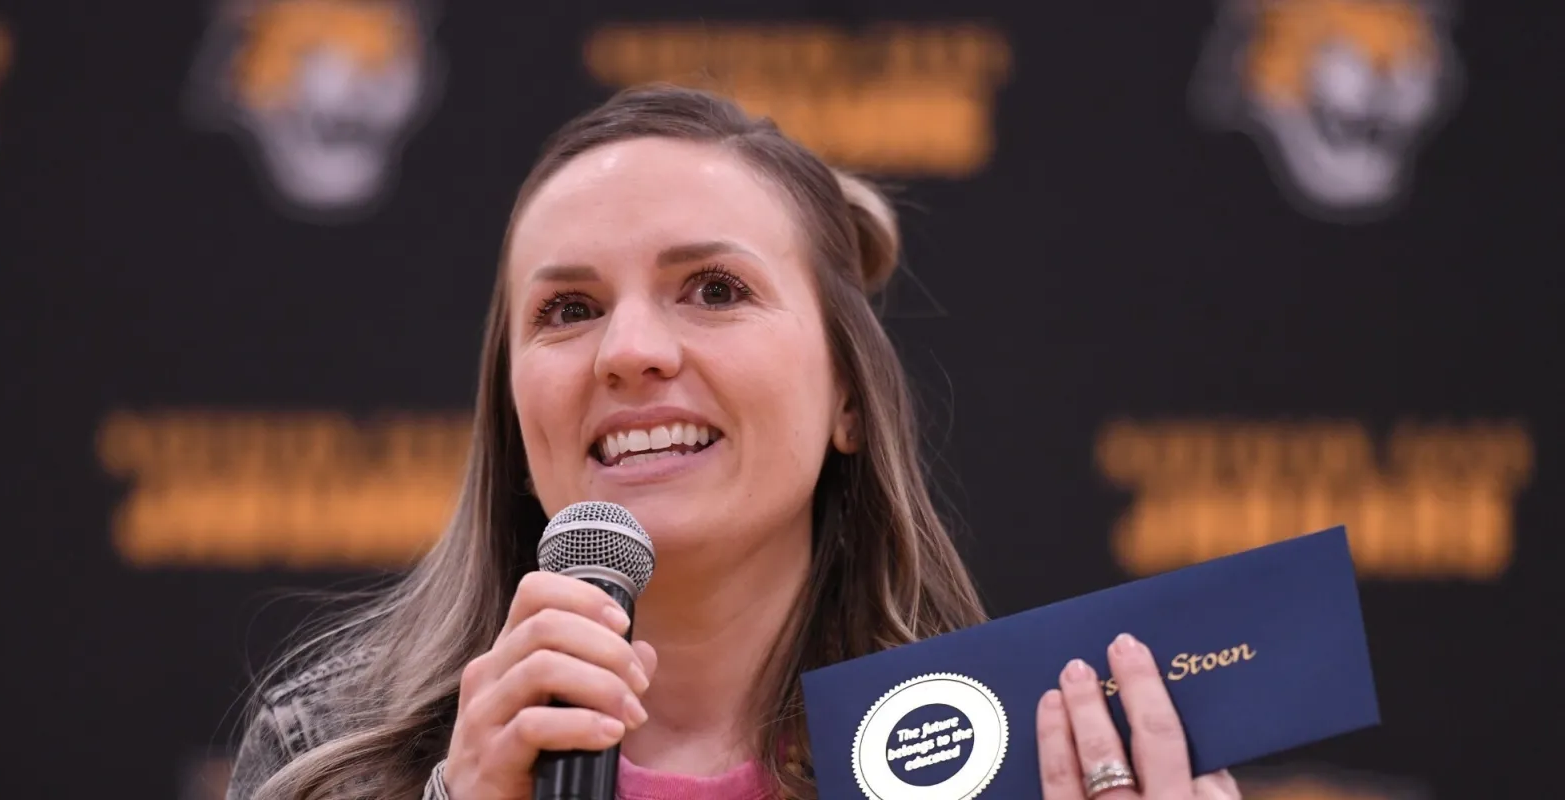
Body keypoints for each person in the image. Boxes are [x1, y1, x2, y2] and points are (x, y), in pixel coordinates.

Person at [224, 83, 1242, 800]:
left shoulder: (1015, 751)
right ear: (509, 406)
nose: (626, 351)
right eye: (568, 308)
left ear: (848, 394)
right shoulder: (332, 756)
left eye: (714, 290)